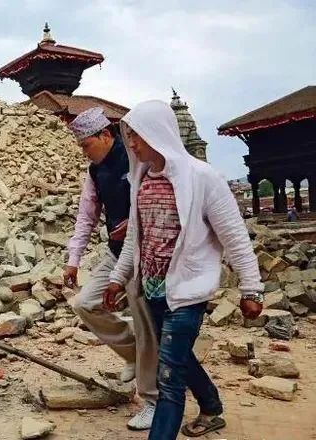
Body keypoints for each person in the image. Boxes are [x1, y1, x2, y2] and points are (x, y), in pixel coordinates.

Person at [103, 100, 263, 439]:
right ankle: (211, 407)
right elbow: (136, 236)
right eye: (129, 136)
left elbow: (234, 237)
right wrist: (118, 278)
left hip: (188, 291)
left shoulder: (203, 178)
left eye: (136, 136)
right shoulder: (141, 179)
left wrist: (251, 289)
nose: (131, 144)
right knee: (177, 357)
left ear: (156, 133)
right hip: (153, 291)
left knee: (169, 379)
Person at [63, 107, 159, 430]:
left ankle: (152, 400)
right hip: (116, 252)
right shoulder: (94, 172)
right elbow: (86, 218)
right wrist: (73, 260)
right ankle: (133, 353)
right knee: (85, 303)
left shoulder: (135, 158)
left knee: (145, 323)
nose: (84, 152)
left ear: (105, 135)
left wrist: (135, 221)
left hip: (144, 255)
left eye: (86, 145)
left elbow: (158, 198)